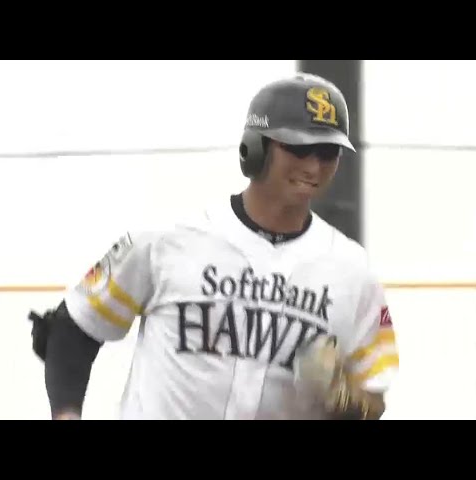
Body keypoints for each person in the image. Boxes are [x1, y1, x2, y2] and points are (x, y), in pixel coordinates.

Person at [28, 72, 400, 420]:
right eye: (298, 148)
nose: (313, 167)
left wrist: (347, 401)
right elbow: (73, 328)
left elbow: (373, 395)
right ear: (256, 148)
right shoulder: (168, 239)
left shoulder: (352, 272)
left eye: (326, 152)